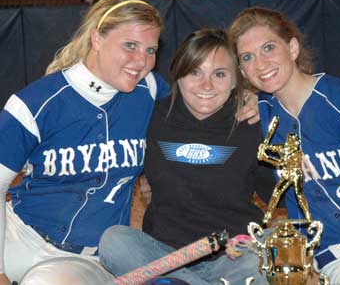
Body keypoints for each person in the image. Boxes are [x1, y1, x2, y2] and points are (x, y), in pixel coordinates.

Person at [0, 0, 168, 285]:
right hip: (15, 236)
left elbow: (202, 107)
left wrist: (241, 96)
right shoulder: (35, 103)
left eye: (151, 50)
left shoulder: (151, 90)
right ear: (97, 38)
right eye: (130, 45)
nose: (142, 61)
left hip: (79, 261)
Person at [99, 28, 276, 285]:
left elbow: (275, 194)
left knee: (270, 249)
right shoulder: (152, 116)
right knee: (114, 241)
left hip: (235, 254)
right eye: (195, 72)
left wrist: (270, 109)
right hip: (167, 257)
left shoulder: (252, 120)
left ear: (236, 79)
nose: (206, 85)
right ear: (178, 74)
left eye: (220, 74)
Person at [229, 6, 340, 284]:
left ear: (293, 48)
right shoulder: (261, 114)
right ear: (242, 69)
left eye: (269, 48)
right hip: (338, 260)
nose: (260, 64)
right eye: (248, 57)